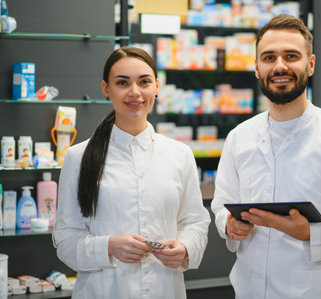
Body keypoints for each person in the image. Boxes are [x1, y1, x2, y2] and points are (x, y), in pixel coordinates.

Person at [211, 14, 321, 298]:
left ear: (311, 64)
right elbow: (221, 206)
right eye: (268, 58)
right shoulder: (239, 137)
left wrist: (310, 233)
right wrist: (229, 225)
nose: (279, 66)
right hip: (250, 290)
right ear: (257, 68)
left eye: (291, 56)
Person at [53, 46, 210, 299]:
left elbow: (195, 221)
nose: (135, 92)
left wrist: (185, 248)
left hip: (165, 289)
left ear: (157, 87)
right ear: (106, 89)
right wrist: (109, 247)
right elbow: (65, 239)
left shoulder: (179, 154)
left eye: (144, 82)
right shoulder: (78, 158)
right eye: (122, 83)